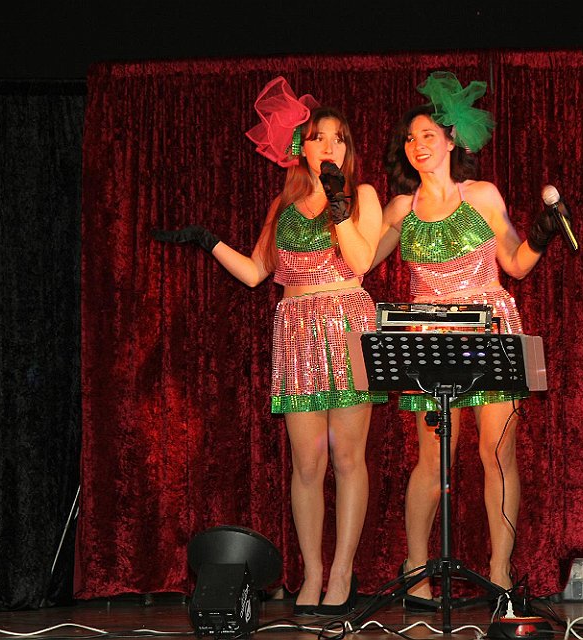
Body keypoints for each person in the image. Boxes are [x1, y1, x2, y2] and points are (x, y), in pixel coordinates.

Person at [152, 77, 386, 616]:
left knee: (348, 458)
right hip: (296, 330)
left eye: (339, 138)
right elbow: (257, 272)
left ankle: (343, 573)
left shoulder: (363, 196)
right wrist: (209, 241)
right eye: (319, 137)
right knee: (307, 464)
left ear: (348, 149)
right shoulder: (284, 202)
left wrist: (339, 203)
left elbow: (360, 262)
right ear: (303, 147)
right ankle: (313, 572)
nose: (329, 146)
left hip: (347, 324)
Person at [372, 71, 569, 609]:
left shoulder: (480, 195)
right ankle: (417, 572)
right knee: (433, 459)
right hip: (427, 335)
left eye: (427, 135)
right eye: (410, 138)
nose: (417, 145)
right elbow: (361, 259)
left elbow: (516, 265)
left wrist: (542, 234)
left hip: (488, 328)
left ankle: (500, 574)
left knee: (496, 451)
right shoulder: (400, 208)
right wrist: (344, 207)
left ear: (452, 139)